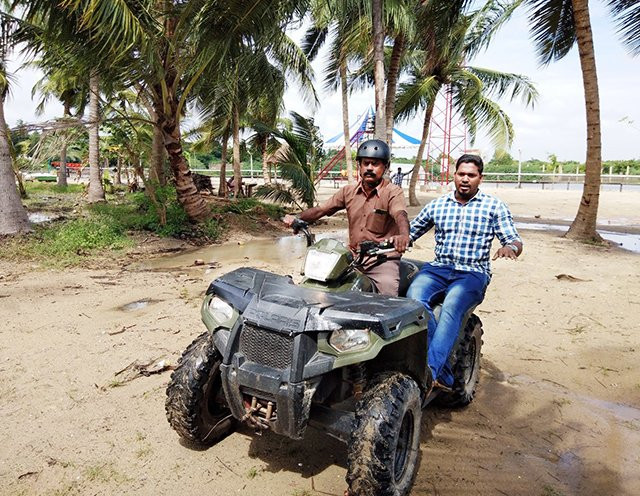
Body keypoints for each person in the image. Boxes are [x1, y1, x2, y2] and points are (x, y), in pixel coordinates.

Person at [407, 154, 523, 391]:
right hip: (439, 268)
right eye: (462, 174)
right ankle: (444, 371)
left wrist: (509, 248)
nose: (465, 179)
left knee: (451, 306)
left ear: (480, 178)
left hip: (472, 273)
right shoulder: (438, 205)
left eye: (471, 175)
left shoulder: (494, 206)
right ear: (454, 175)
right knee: (414, 298)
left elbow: (513, 239)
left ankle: (429, 371)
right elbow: (410, 233)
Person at [283, 139, 410, 296]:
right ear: (360, 165)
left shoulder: (393, 192)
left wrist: (403, 236)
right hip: (353, 259)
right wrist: (297, 218)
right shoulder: (348, 191)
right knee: (320, 288)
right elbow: (321, 210)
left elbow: (400, 215)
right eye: (366, 163)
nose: (370, 168)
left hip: (381, 262)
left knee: (386, 300)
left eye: (375, 164)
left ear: (385, 167)